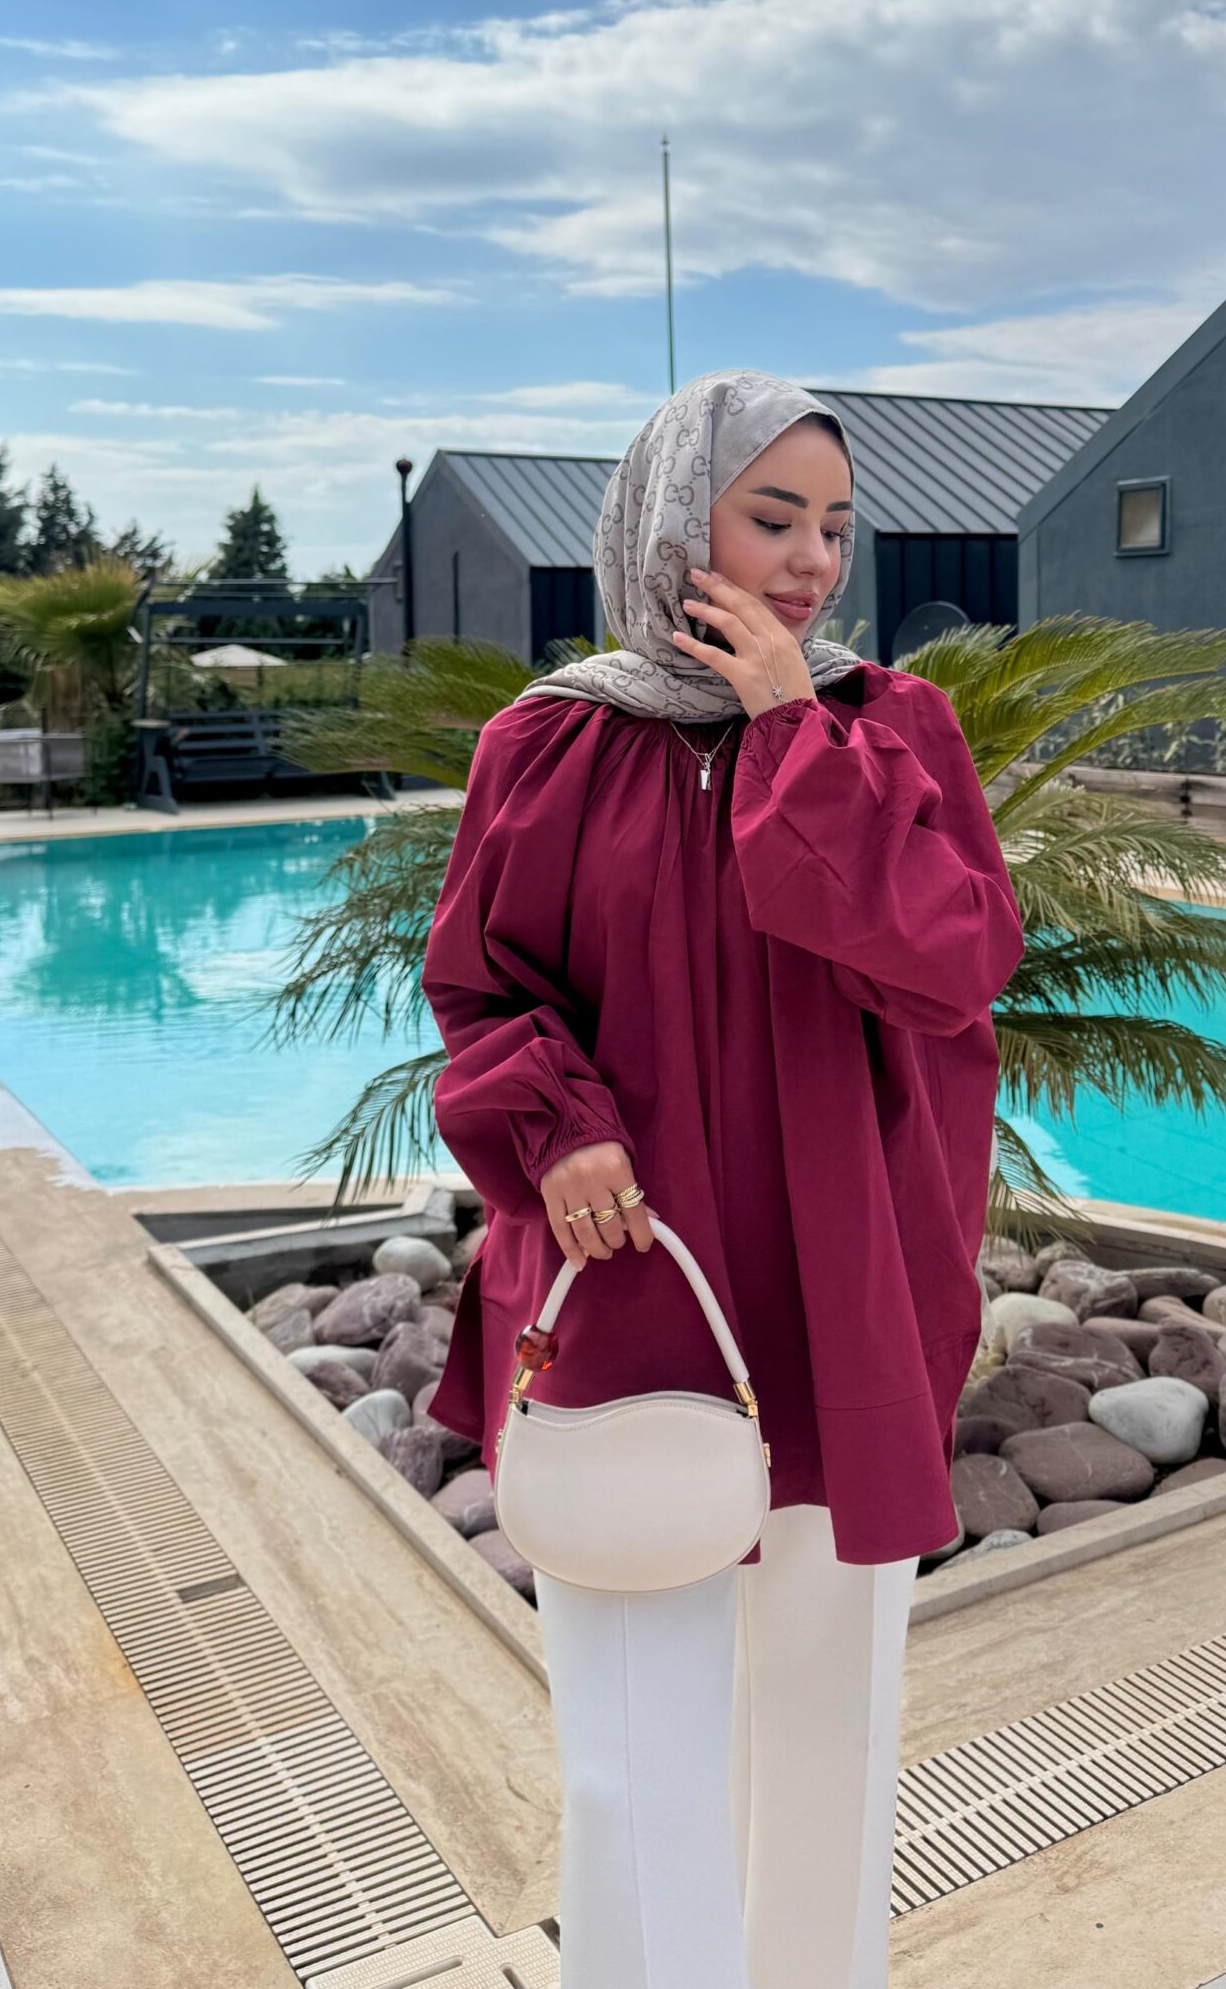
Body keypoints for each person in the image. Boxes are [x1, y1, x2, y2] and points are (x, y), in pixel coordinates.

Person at [419, 367, 1025, 1989]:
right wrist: (559, 1122)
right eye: (773, 519)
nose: (812, 562)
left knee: (834, 1725)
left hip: (846, 1286)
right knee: (632, 1752)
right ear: (675, 520)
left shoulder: (889, 729)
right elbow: (481, 985)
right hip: (631, 1286)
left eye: (835, 527)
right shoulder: (546, 744)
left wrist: (788, 732)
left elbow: (952, 963)